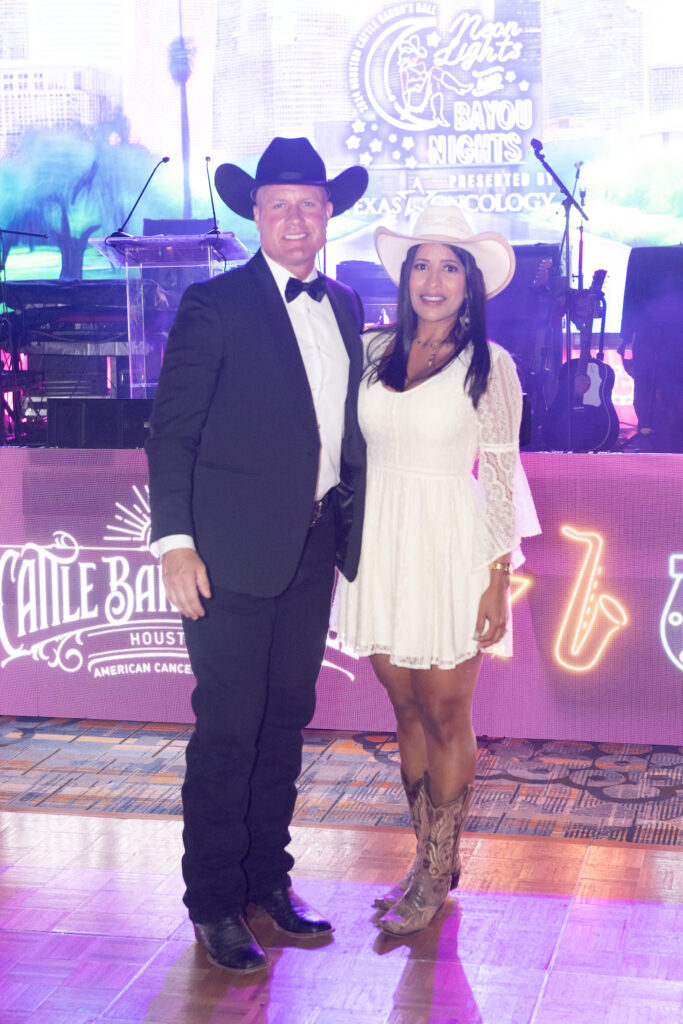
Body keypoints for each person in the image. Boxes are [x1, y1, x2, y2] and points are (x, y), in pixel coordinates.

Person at [146, 137, 368, 973]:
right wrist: (175, 543)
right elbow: (172, 433)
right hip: (228, 554)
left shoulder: (344, 305)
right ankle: (212, 901)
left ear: (328, 213)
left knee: (284, 725)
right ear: (255, 214)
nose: (295, 219)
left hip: (312, 548)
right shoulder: (214, 303)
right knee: (230, 729)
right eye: (278, 205)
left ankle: (266, 883)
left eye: (308, 204)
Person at [337, 204, 540, 935]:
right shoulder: (369, 352)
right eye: (420, 264)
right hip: (381, 545)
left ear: (470, 282)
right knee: (404, 708)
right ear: (403, 276)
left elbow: (501, 479)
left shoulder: (492, 366)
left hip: (451, 546)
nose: (432, 279)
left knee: (448, 709)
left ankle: (434, 874)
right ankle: (429, 858)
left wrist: (494, 579)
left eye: (448, 266)